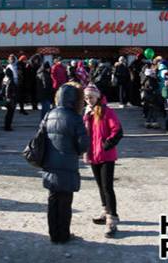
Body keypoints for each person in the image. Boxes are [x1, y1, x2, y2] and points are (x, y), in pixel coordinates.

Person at [41, 83, 89, 244]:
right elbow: (83, 144)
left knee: (53, 200)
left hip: (50, 163)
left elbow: (41, 137)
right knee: (65, 202)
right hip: (68, 164)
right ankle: (64, 235)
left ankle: (54, 234)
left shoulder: (49, 114)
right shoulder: (75, 118)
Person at [82, 84, 122, 238]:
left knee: (107, 187)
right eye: (86, 97)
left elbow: (117, 130)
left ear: (97, 96)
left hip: (106, 155)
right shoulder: (87, 113)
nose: (88, 100)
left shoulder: (107, 111)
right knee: (100, 186)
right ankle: (105, 210)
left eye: (90, 96)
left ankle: (112, 219)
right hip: (92, 154)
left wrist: (107, 144)